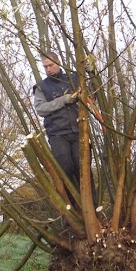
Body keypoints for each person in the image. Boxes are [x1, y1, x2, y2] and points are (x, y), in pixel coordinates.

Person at [33, 51, 81, 188]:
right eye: (45, 67)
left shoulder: (74, 78)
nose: (48, 69)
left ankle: (92, 203)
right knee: (65, 167)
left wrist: (92, 73)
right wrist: (62, 100)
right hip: (57, 133)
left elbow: (92, 94)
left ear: (58, 63)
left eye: (51, 65)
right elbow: (41, 109)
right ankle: (72, 204)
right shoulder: (42, 87)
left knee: (82, 167)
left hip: (78, 129)